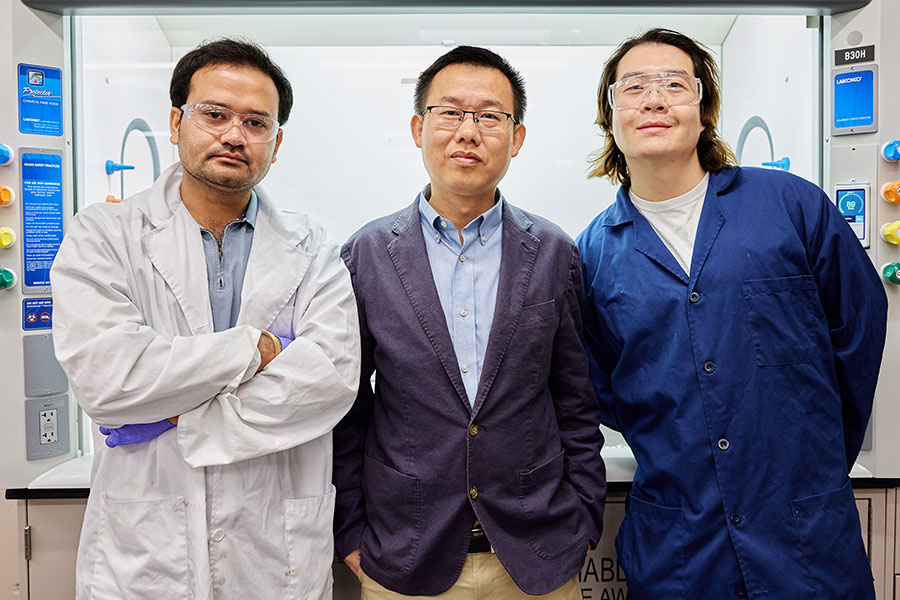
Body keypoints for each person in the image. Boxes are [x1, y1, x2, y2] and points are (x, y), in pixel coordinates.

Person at [577, 28, 888, 600]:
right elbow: (599, 386)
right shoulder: (593, 252)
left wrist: (809, 455)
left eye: (675, 84)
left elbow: (859, 329)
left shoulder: (792, 206)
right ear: (611, 116)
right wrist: (681, 432)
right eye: (634, 87)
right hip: (681, 546)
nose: (654, 99)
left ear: (705, 110)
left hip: (805, 534)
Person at [51, 39, 360, 599]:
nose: (234, 135)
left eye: (256, 122)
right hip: (146, 553)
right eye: (214, 114)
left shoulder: (313, 249)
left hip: (275, 554)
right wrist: (255, 350)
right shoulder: (102, 235)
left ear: (276, 141)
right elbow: (110, 378)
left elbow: (329, 380)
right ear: (176, 122)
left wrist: (174, 419)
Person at [332, 45, 607, 600]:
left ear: (517, 137)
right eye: (450, 112)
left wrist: (583, 522)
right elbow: (348, 408)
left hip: (536, 558)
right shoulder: (366, 254)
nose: (468, 131)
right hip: (404, 556)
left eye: (489, 116)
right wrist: (353, 533)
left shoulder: (554, 251)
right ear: (419, 127)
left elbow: (576, 401)